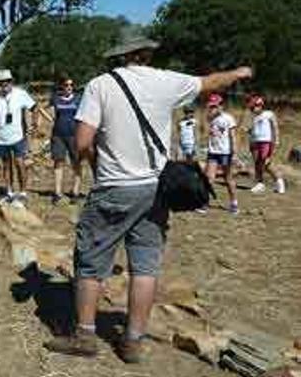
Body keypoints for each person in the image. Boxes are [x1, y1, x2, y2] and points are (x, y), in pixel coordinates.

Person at [44, 33, 252, 364]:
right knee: (144, 266)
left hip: (114, 186)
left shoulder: (100, 85)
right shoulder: (167, 82)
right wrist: (238, 73)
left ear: (119, 56)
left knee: (91, 261)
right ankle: (133, 342)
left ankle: (84, 334)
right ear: (146, 54)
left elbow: (83, 141)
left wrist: (97, 166)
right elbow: (210, 82)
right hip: (155, 187)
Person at [0, 69, 36, 206]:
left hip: (18, 136)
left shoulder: (21, 94)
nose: (4, 84)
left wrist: (34, 125)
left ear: (11, 82)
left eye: (7, 81)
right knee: (6, 165)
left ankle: (23, 192)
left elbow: (34, 107)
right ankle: (9, 192)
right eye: (1, 82)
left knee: (20, 164)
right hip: (1, 137)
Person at [41, 74, 83, 204]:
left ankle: (75, 192)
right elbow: (41, 108)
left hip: (74, 135)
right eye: (66, 85)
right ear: (62, 86)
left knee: (76, 163)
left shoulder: (78, 99)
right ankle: (58, 192)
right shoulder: (56, 99)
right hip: (58, 135)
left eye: (71, 85)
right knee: (58, 162)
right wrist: (50, 119)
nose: (69, 87)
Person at [204, 93, 239, 215]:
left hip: (225, 153)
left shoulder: (228, 118)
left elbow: (233, 136)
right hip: (213, 152)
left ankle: (234, 203)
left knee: (228, 178)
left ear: (221, 106)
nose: (213, 108)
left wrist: (234, 154)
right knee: (209, 178)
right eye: (211, 106)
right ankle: (204, 202)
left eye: (215, 106)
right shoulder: (211, 118)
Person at [247, 95, 286, 194]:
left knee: (266, 163)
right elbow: (255, 130)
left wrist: (276, 140)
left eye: (254, 107)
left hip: (266, 142)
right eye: (251, 108)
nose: (252, 109)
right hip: (255, 142)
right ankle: (260, 183)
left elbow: (275, 127)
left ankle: (279, 181)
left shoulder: (269, 114)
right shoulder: (255, 118)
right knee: (257, 163)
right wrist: (250, 132)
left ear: (260, 105)